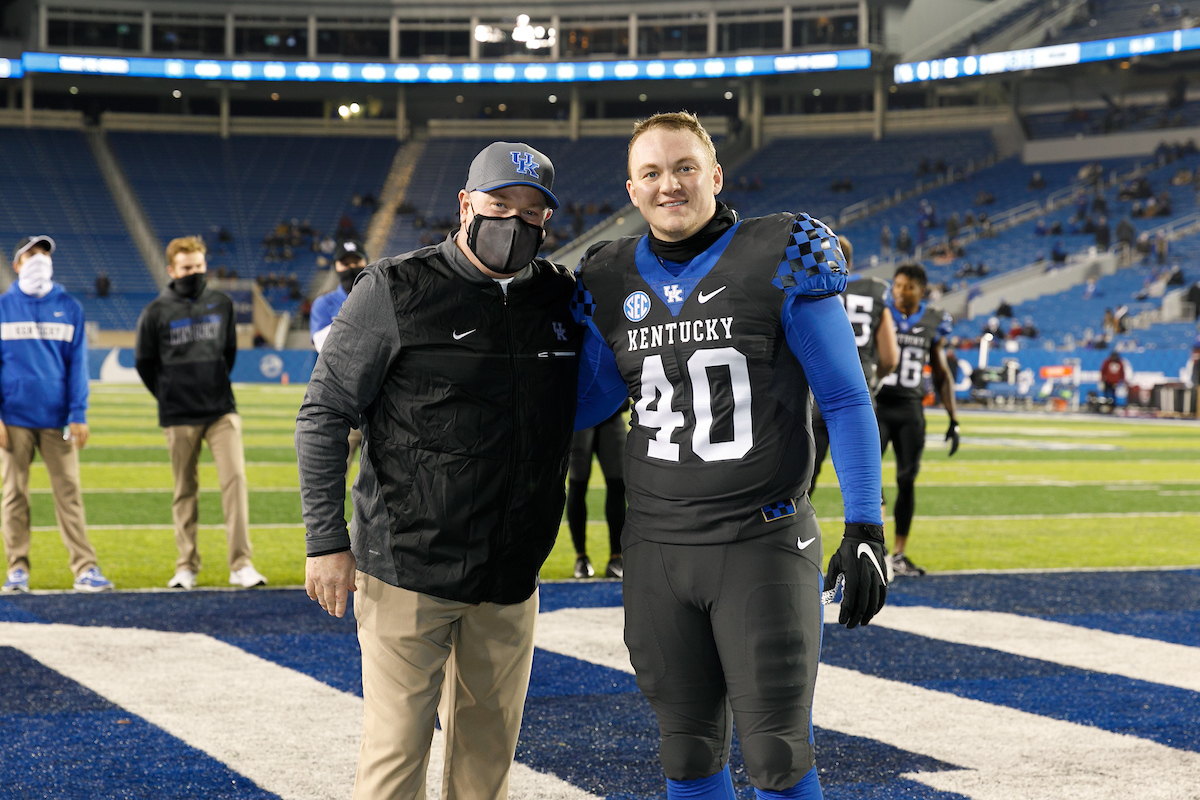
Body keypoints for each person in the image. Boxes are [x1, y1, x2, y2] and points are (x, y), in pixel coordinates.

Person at [573, 112, 887, 800]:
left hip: (761, 538)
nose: (670, 184)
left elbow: (844, 396)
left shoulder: (780, 251)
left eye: (684, 167)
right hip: (655, 545)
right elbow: (586, 402)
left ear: (714, 174)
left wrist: (865, 525)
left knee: (778, 752)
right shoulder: (606, 275)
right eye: (652, 172)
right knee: (685, 750)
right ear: (632, 189)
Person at [296, 142, 581, 800]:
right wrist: (324, 539)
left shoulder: (559, 297)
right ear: (465, 204)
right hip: (408, 568)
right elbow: (323, 414)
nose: (516, 221)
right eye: (500, 204)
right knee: (394, 764)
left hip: (509, 574)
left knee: (486, 769)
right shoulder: (394, 288)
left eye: (533, 211)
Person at [135, 236, 266, 591]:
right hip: (178, 414)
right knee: (184, 490)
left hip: (221, 410)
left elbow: (229, 353)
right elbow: (145, 363)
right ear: (172, 270)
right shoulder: (156, 311)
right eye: (186, 267)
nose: (193, 272)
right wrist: (168, 395)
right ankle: (186, 566)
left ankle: (241, 564)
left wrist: (213, 384)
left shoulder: (222, 304)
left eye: (198, 266)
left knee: (234, 482)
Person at [0, 236, 113, 594]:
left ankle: (84, 568)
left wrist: (78, 412)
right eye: (32, 254)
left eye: (45, 254)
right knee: (14, 495)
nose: (39, 260)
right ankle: (17, 569)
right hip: (13, 419)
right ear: (17, 263)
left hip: (57, 419)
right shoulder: (3, 307)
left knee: (69, 494)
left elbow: (77, 366)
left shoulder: (70, 306)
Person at [876, 262, 960, 578]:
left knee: (907, 480)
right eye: (896, 285)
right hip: (879, 404)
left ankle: (899, 553)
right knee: (871, 474)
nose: (900, 292)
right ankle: (877, 547)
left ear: (921, 290)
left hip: (911, 408)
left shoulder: (934, 320)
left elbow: (941, 372)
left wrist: (953, 417)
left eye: (907, 287)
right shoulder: (880, 312)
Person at [809, 235, 899, 495]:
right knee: (866, 487)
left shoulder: (813, 287)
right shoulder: (875, 290)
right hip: (859, 395)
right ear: (848, 260)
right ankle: (870, 535)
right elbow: (890, 358)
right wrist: (874, 379)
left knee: (803, 482)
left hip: (817, 396)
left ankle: (797, 537)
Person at [310, 239, 369, 471]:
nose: (352, 267)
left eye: (357, 261)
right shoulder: (324, 303)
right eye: (346, 263)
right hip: (339, 404)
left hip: (379, 405)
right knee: (331, 478)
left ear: (366, 261)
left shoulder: (382, 294)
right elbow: (324, 346)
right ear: (336, 266)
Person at [566, 403, 628, 579]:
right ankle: (581, 557)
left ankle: (616, 557)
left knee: (617, 484)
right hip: (582, 413)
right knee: (578, 484)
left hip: (612, 413)